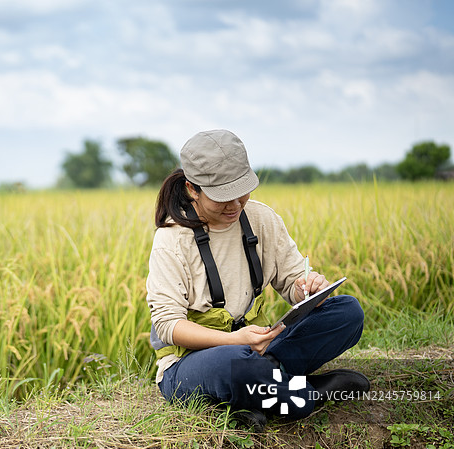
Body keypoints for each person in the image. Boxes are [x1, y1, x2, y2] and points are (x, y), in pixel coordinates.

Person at [146, 129, 368, 431]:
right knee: (236, 362)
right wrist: (233, 340)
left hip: (258, 348)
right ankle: (304, 394)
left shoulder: (261, 219)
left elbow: (291, 282)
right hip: (194, 365)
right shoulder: (171, 240)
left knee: (347, 313)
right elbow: (169, 326)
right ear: (192, 189)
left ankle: (256, 393)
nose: (235, 205)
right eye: (223, 196)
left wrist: (307, 289)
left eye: (242, 192)